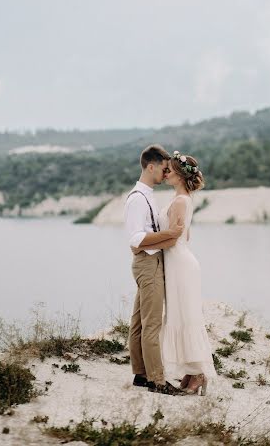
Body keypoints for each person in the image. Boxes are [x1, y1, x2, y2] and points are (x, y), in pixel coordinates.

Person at [132, 150, 216, 395]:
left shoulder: (180, 201)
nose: (165, 173)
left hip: (180, 264)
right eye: (165, 169)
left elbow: (176, 238)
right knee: (181, 316)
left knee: (186, 317)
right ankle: (191, 373)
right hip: (176, 261)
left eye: (170, 170)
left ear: (179, 176)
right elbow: (184, 234)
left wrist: (141, 244)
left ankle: (198, 374)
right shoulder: (180, 199)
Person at [124, 144, 185, 396]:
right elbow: (135, 238)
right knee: (152, 324)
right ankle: (157, 381)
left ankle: (140, 374)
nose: (165, 172)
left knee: (139, 321)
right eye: (163, 168)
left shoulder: (148, 194)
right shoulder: (137, 199)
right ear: (151, 166)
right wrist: (169, 234)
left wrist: (166, 239)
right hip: (147, 264)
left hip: (150, 261)